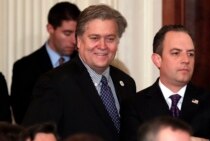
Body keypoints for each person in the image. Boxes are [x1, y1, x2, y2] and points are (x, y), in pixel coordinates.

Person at [22, 4, 136, 141]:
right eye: (94, 38)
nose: (103, 46)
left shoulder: (126, 83)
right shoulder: (54, 83)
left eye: (110, 39)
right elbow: (34, 136)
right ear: (78, 41)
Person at [120, 25, 210, 141]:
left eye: (190, 54)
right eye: (176, 53)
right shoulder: (135, 105)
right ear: (158, 60)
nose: (186, 60)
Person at [10, 1, 80, 124]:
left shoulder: (85, 63)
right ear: (50, 29)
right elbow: (23, 117)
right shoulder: (24, 68)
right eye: (67, 33)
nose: (74, 41)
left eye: (77, 34)